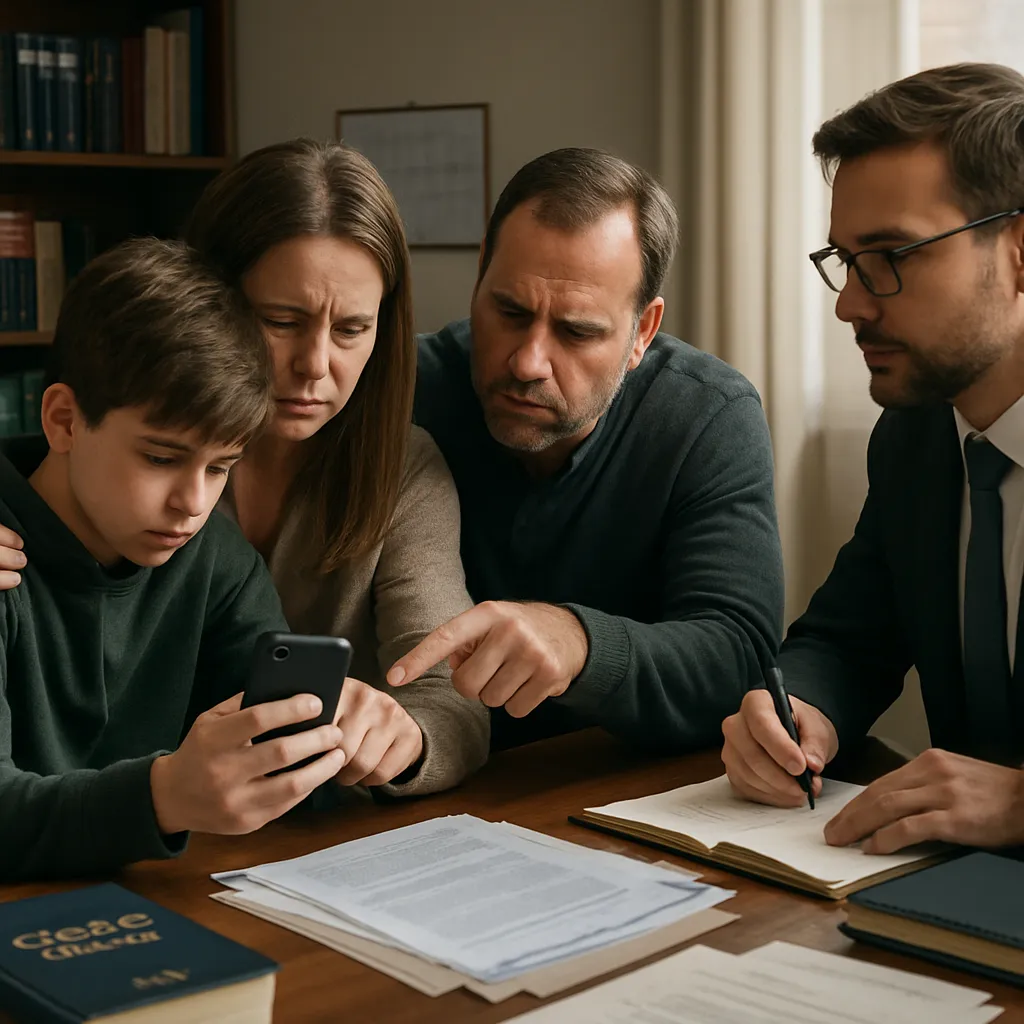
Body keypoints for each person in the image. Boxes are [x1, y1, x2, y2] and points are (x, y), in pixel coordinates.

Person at [0, 141, 488, 796]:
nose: (316, 366)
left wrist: (399, 735)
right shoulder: (82, 463)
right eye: (281, 320)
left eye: (351, 329)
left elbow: (446, 689)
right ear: (210, 298)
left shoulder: (397, 471)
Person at [721, 63, 1024, 854]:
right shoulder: (917, 436)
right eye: (845, 260)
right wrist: (797, 716)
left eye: (892, 255)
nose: (850, 303)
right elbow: (849, 638)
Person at [391, 147, 785, 751]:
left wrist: (581, 641)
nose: (527, 362)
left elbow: (740, 655)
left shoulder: (707, 416)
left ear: (641, 334)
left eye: (577, 331)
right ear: (479, 279)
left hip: (610, 781)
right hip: (414, 776)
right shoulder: (400, 392)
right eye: (509, 311)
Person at [1, 238, 349, 881]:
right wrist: (162, 797)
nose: (193, 503)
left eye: (220, 467)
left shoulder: (216, 557)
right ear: (64, 421)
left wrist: (332, 741)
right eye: (160, 458)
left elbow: (278, 779)